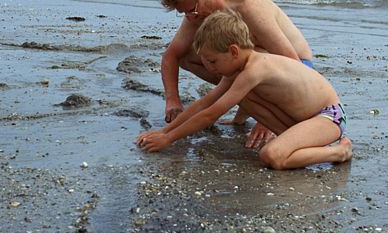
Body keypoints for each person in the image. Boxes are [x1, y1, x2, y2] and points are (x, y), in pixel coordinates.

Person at [137, 11, 352, 169]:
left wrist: (170, 138)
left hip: (329, 117)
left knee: (272, 155)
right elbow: (206, 102)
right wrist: (163, 131)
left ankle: (338, 152)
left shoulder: (256, 69)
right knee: (244, 97)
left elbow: (211, 114)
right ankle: (295, 145)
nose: (210, 68)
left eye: (213, 61)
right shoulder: (237, 70)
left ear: (233, 51)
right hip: (302, 120)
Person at [160, 0, 313, 148]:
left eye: (192, 9)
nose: (190, 17)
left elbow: (291, 62)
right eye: (183, 13)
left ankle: (262, 109)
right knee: (190, 56)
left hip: (299, 67)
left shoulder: (248, 7)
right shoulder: (197, 16)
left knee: (243, 60)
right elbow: (171, 56)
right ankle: (246, 102)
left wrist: (268, 121)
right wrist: (172, 99)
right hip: (257, 65)